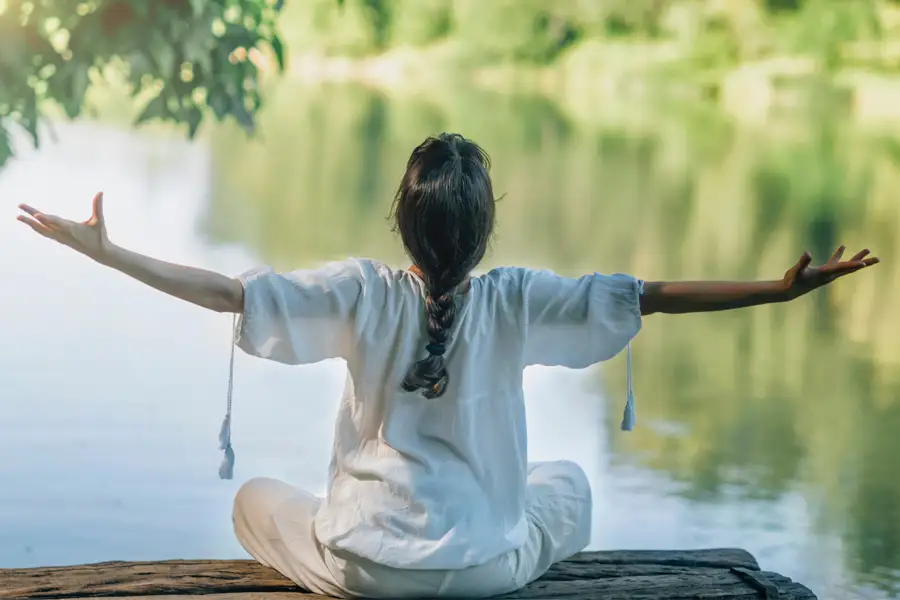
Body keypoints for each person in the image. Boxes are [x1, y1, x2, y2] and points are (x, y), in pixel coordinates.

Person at [16, 133, 879, 599]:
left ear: (403, 219)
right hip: (482, 569)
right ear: (485, 227)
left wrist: (110, 254)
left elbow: (226, 294)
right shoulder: (520, 298)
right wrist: (778, 290)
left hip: (363, 568)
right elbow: (649, 296)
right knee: (569, 484)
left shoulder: (360, 291)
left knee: (253, 501)